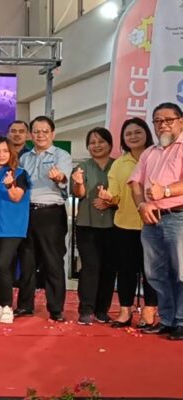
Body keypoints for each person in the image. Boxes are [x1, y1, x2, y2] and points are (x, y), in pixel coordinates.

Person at [129, 102, 183, 340]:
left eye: (168, 120)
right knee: (155, 274)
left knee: (181, 272)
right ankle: (168, 319)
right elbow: (135, 183)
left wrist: (167, 191)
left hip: (178, 217)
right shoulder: (150, 152)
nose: (163, 125)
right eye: (158, 121)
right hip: (151, 220)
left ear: (181, 121)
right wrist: (141, 205)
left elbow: (166, 189)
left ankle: (181, 321)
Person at [98, 118, 157, 328]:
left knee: (152, 271)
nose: (133, 136)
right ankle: (125, 310)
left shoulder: (157, 156)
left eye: (137, 132)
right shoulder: (119, 164)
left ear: (146, 133)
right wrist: (108, 197)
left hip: (154, 222)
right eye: (128, 133)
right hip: (124, 224)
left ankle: (150, 311)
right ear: (123, 138)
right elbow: (115, 195)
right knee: (126, 270)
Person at [17, 116, 72, 321]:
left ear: (53, 134)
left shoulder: (61, 155)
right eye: (36, 131)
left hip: (51, 213)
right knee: (27, 261)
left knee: (53, 261)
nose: (40, 135)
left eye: (45, 131)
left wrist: (59, 178)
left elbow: (64, 179)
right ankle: (25, 305)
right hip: (27, 212)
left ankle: (56, 308)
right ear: (31, 135)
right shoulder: (24, 158)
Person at [0, 137, 30, 324]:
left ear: (11, 153)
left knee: (2, 266)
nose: (1, 155)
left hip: (11, 228)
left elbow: (17, 197)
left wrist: (10, 185)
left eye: (5, 151)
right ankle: (1, 307)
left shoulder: (20, 173)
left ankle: (7, 307)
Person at [71, 128, 116, 325]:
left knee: (109, 267)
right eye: (92, 142)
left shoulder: (118, 166)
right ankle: (86, 309)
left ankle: (102, 310)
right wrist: (79, 183)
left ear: (110, 144)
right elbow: (79, 193)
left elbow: (125, 193)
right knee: (90, 266)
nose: (96, 146)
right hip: (87, 224)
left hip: (114, 225)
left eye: (101, 141)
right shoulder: (82, 167)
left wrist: (110, 202)